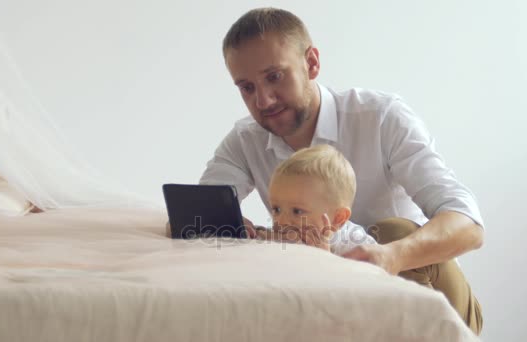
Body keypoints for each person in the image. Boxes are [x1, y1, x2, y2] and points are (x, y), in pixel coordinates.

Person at [199, 7, 484, 334]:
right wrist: (234, 229)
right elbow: (199, 210)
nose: (263, 100)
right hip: (337, 309)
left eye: (274, 76)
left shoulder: (382, 117)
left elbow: (469, 225)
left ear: (312, 63)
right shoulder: (245, 139)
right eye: (247, 88)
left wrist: (391, 256)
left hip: (429, 297)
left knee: (391, 231)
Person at [264, 144, 377, 254]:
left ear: (338, 218)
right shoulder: (281, 237)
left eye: (297, 211)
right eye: (276, 209)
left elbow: (375, 272)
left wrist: (323, 256)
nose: (281, 222)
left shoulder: (355, 244)